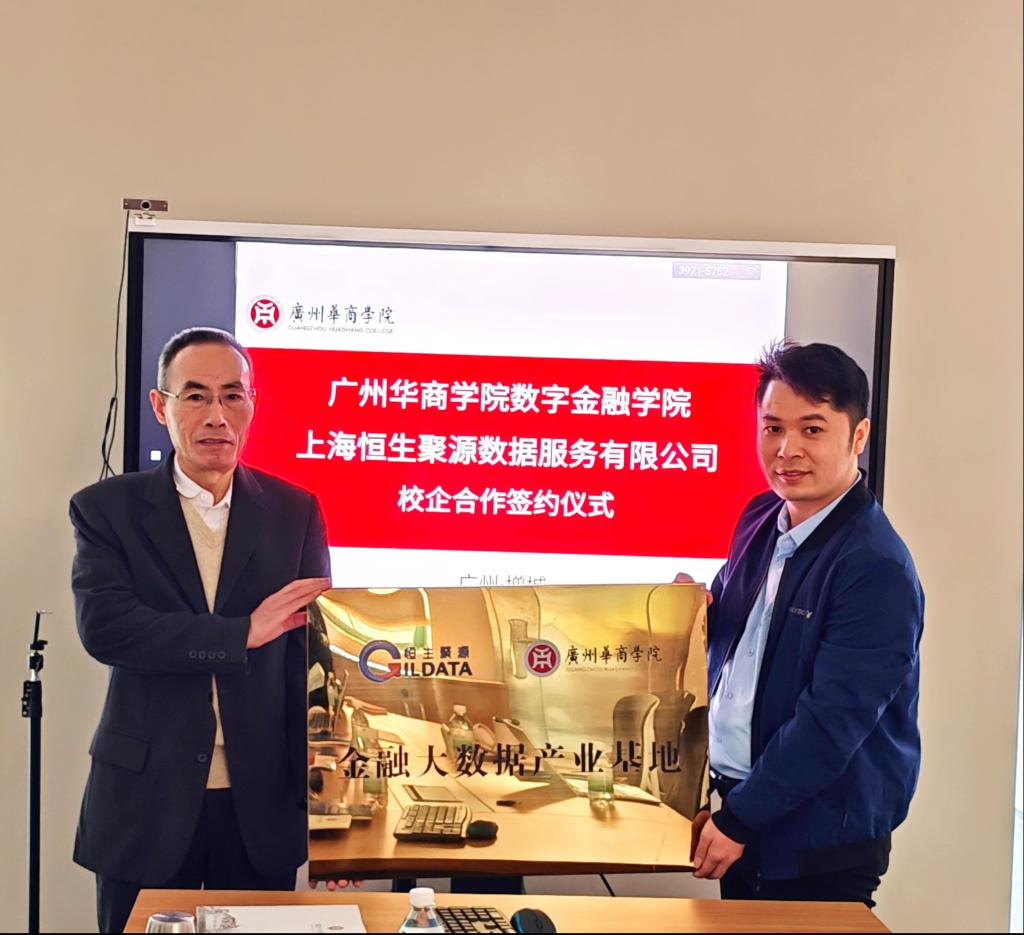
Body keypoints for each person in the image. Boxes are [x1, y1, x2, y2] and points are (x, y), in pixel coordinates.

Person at [70, 327, 332, 932]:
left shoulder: (294, 511)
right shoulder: (107, 509)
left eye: (232, 395)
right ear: (160, 406)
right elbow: (108, 628)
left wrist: (326, 805)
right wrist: (240, 634)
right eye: (195, 396)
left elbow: (311, 664)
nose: (216, 415)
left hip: (261, 798)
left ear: (252, 404)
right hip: (147, 796)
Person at [687, 341, 924, 907]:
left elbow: (831, 722)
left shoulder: (874, 566)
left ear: (858, 436)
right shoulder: (759, 519)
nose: (786, 449)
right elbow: (736, 641)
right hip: (743, 804)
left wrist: (740, 820)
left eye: (812, 429)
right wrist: (686, 613)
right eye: (772, 428)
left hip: (818, 839)